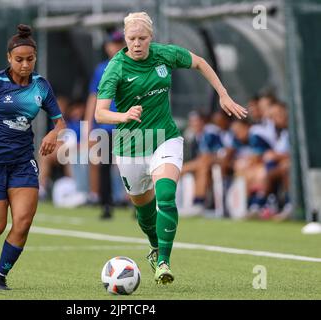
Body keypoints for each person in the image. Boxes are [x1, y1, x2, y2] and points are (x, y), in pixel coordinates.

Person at [95, 12, 247, 285]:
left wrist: (223, 94)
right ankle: (154, 246)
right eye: (132, 39)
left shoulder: (164, 54)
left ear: (151, 38)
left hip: (165, 138)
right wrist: (124, 115)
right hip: (131, 146)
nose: (137, 43)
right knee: (144, 211)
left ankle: (163, 261)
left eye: (142, 38)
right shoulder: (115, 67)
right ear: (125, 39)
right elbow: (100, 114)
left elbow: (200, 62)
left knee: (166, 194)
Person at [0, 24, 65, 290]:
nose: (25, 64)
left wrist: (54, 134)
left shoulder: (41, 86)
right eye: (19, 60)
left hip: (22, 161)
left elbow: (59, 122)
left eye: (30, 59)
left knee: (24, 221)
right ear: (9, 58)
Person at [85, 30, 126, 219]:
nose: (116, 47)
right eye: (113, 44)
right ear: (107, 47)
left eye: (120, 43)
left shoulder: (133, 66)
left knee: (135, 165)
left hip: (129, 124)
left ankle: (137, 205)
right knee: (104, 165)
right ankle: (106, 204)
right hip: (107, 125)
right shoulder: (101, 69)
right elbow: (93, 97)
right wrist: (88, 125)